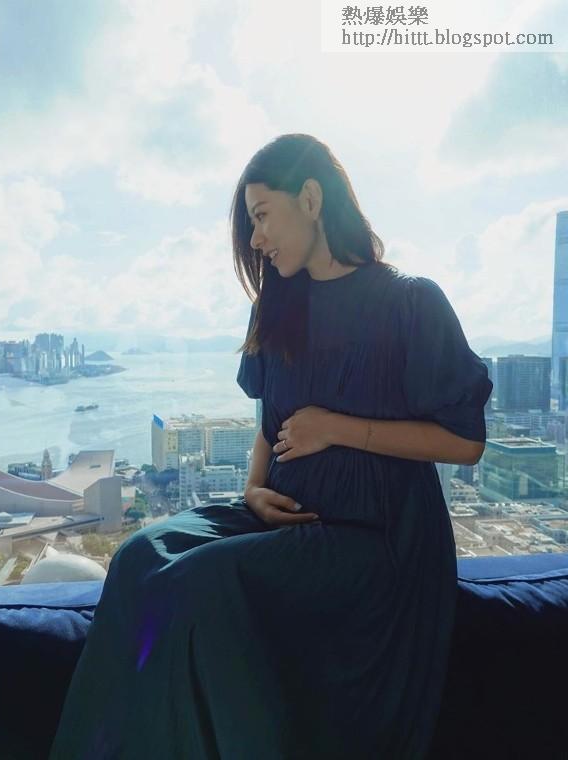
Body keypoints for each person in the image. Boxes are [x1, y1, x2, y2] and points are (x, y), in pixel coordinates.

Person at [48, 134, 492, 760]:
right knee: (138, 556)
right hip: (281, 514)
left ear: (310, 198)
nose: (255, 239)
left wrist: (337, 428)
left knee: (200, 584)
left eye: (261, 216)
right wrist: (254, 489)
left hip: (376, 538)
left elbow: (466, 442)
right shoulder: (277, 307)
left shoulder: (410, 302)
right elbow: (270, 423)